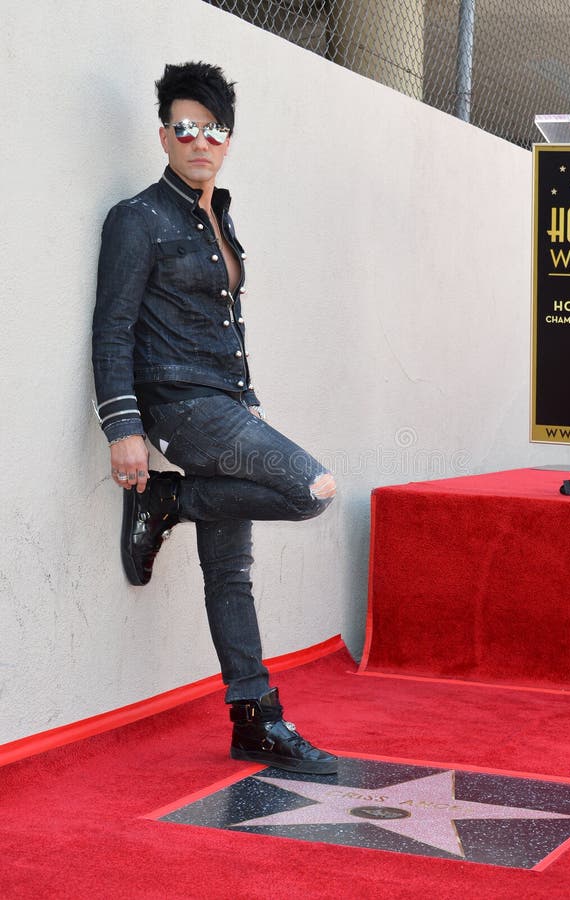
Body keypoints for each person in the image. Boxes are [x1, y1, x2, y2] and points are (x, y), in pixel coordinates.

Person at [92, 61, 337, 775]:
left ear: (228, 139)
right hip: (179, 407)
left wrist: (248, 399)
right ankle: (169, 498)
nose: (200, 141)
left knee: (230, 573)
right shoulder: (136, 218)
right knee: (311, 488)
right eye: (186, 127)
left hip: (227, 403)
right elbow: (112, 328)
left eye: (214, 130)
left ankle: (255, 719)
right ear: (164, 134)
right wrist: (122, 428)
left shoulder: (217, 213)